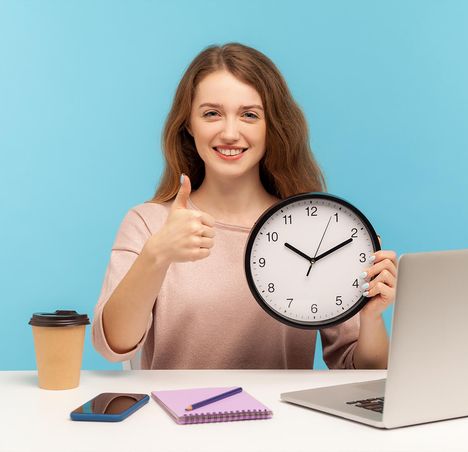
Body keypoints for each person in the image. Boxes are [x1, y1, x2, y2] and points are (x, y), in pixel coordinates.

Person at [92, 43, 398, 370]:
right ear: (188, 124)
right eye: (212, 113)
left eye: (249, 115)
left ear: (272, 126)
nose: (229, 132)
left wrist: (371, 317)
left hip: (279, 420)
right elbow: (114, 346)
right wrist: (157, 255)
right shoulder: (149, 223)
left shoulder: (315, 228)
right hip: (175, 418)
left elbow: (361, 371)